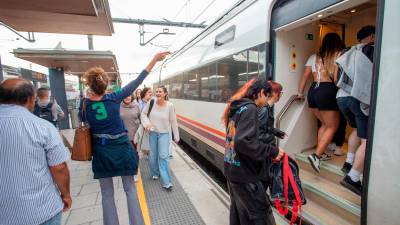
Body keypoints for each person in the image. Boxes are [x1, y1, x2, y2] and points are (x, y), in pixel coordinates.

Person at [79, 52, 169, 225]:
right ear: (105, 86)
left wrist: (89, 96)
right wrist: (154, 59)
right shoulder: (114, 98)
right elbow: (138, 81)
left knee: (106, 194)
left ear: (90, 86)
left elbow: (84, 122)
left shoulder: (85, 104)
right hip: (121, 148)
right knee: (130, 189)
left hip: (101, 152)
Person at [0, 78, 71, 225]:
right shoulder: (43, 128)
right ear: (30, 99)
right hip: (40, 210)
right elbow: (59, 167)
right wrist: (66, 194)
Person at [222, 78, 285, 225]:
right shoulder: (250, 108)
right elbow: (244, 141)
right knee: (261, 216)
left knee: (239, 214)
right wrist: (272, 151)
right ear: (262, 93)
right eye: (267, 96)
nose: (266, 101)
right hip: (245, 175)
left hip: (232, 170)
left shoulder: (238, 107)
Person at [336, 25, 375, 195]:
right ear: (372, 36)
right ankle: (352, 178)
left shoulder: (349, 51)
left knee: (357, 130)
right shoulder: (371, 50)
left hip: (341, 96)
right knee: (368, 141)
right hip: (357, 98)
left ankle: (349, 162)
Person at [298, 33, 344, 173]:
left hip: (313, 92)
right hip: (327, 91)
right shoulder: (339, 55)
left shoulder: (313, 57)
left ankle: (321, 152)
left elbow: (305, 76)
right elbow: (336, 80)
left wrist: (300, 93)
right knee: (332, 126)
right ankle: (316, 156)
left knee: (324, 124)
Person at [141, 86, 179, 190]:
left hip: (164, 134)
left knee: (163, 157)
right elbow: (143, 114)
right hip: (153, 133)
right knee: (153, 155)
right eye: (156, 91)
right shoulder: (151, 102)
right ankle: (155, 172)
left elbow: (173, 121)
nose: (157, 93)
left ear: (165, 94)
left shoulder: (170, 106)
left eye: (160, 92)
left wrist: (176, 136)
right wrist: (147, 124)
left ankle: (167, 182)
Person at [120, 94, 141, 182]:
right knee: (125, 155)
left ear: (131, 97)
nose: (127, 97)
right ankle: (127, 171)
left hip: (135, 136)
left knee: (134, 156)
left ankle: (135, 172)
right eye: (125, 96)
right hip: (123, 136)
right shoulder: (118, 106)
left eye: (129, 96)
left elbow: (141, 118)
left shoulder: (136, 106)